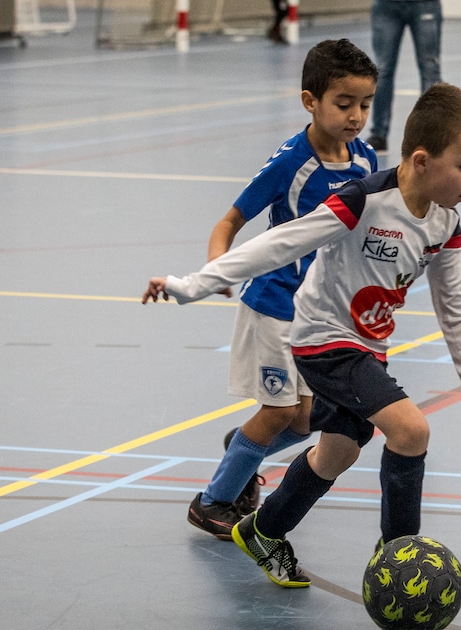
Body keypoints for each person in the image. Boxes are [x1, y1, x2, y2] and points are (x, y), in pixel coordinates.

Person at [143, 83, 461, 588]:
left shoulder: (445, 222)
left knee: (339, 451)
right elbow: (281, 242)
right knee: (411, 431)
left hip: (367, 345)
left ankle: (263, 531)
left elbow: (457, 305)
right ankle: (401, 558)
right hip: (322, 338)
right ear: (421, 160)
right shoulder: (365, 201)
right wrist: (193, 284)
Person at [182, 39, 380, 541]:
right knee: (280, 412)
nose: (356, 116)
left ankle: (242, 448)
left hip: (321, 311)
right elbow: (230, 220)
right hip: (274, 303)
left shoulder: (364, 160)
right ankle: (214, 502)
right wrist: (218, 268)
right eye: (343, 104)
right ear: (309, 101)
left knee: (310, 415)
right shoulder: (292, 162)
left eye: (364, 104)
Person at [366, 0, 443, 155]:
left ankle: (431, 134)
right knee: (382, 69)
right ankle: (379, 134)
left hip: (425, 4)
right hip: (386, 6)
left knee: (430, 68)